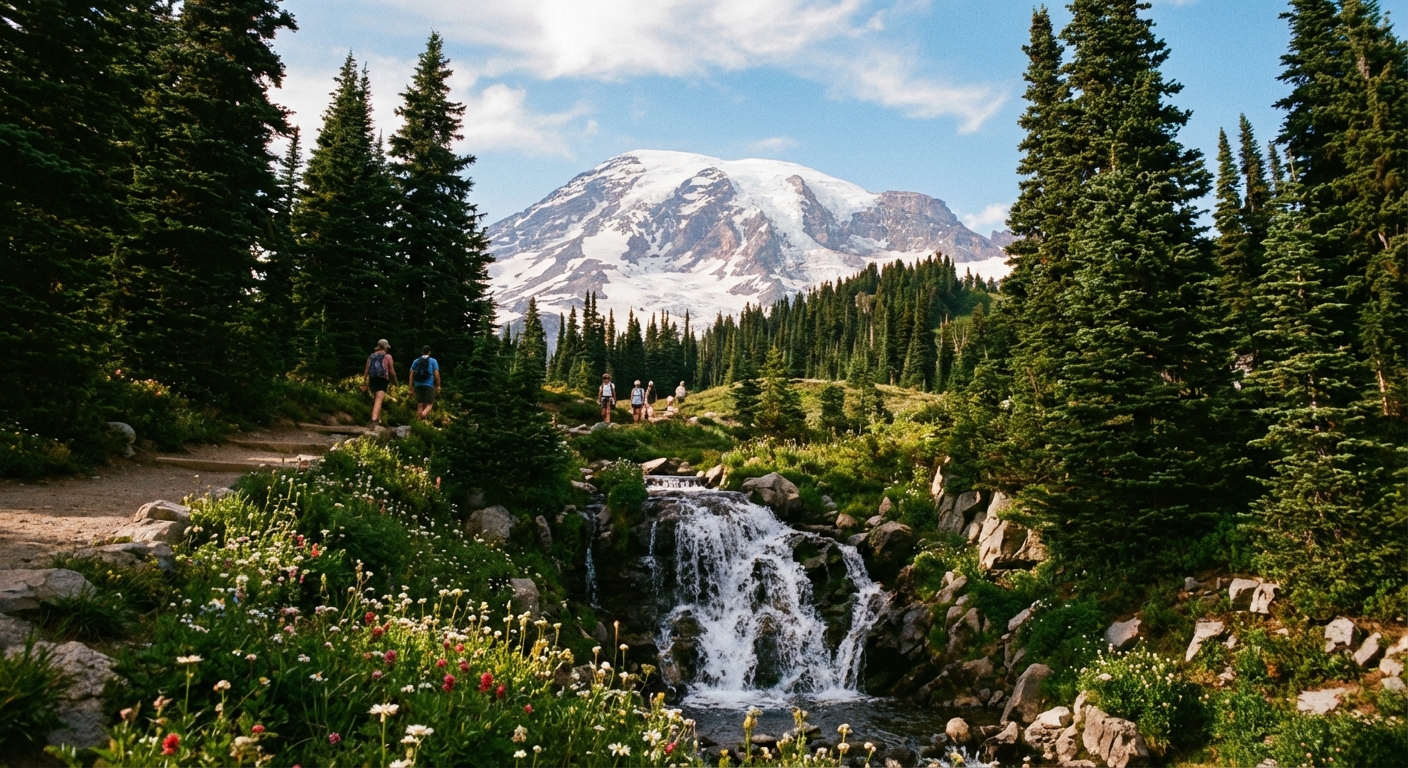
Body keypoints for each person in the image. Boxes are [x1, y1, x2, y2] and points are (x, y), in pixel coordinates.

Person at [363, 339, 397, 427]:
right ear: (386, 347)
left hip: (372, 379)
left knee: (376, 400)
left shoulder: (371, 356)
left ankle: (377, 419)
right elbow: (392, 372)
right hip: (382, 380)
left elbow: (366, 371)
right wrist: (395, 382)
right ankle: (373, 421)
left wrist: (364, 382)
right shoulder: (388, 356)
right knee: (378, 400)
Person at [410, 345, 441, 421]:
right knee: (429, 405)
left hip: (418, 384)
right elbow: (436, 374)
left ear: (422, 352)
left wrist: (411, 387)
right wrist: (438, 385)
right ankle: (423, 415)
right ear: (429, 352)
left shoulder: (416, 361)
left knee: (420, 405)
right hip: (429, 385)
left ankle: (418, 423)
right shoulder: (433, 361)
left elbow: (411, 375)